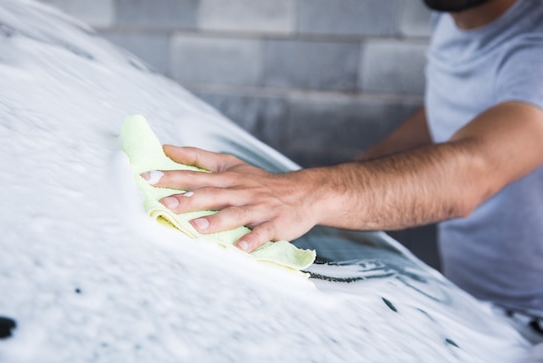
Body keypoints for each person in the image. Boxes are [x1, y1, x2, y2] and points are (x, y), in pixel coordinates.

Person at [143, 0, 543, 340]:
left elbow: (472, 173)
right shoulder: (455, 16)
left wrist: (312, 193)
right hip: (476, 304)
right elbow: (453, 110)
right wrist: (356, 173)